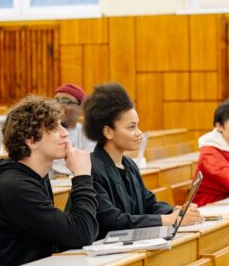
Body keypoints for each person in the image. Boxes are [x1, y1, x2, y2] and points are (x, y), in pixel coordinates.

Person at [0, 96, 98, 266]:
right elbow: (81, 234)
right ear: (31, 141)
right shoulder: (15, 187)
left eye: (62, 125)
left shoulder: (35, 176)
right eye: (54, 128)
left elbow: (68, 235)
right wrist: (82, 176)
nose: (65, 133)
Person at [77, 83, 203, 240]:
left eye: (137, 126)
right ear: (108, 131)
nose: (139, 133)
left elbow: (149, 204)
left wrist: (175, 211)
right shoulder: (91, 169)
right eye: (131, 128)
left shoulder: (129, 165)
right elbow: (111, 220)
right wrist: (167, 219)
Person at [51, 83, 96, 176]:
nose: (58, 105)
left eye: (65, 101)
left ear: (81, 109)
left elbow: (89, 161)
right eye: (55, 100)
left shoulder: (87, 133)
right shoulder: (45, 132)